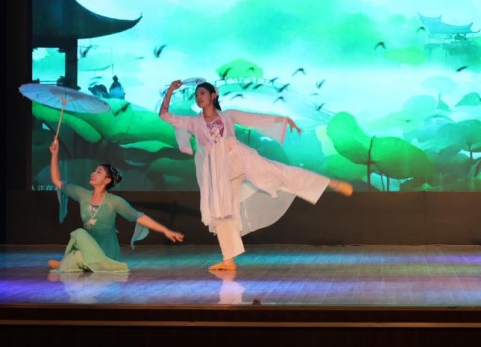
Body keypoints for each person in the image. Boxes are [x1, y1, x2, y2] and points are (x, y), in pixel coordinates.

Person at [158, 79, 353, 271]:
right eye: (196, 94)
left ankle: (329, 183)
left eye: (202, 93)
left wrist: (283, 121)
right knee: (222, 213)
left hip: (240, 157)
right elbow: (164, 115)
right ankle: (229, 260)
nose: (198, 97)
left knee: (278, 172)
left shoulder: (228, 115)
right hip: (219, 172)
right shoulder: (193, 122)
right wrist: (171, 91)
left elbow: (254, 119)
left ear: (213, 95)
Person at [47, 138, 184, 273]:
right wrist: (54, 154)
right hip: (88, 248)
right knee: (78, 250)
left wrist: (166, 231)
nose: (93, 173)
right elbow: (57, 181)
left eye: (99, 172)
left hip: (106, 252)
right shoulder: (83, 195)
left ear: (107, 180)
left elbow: (139, 217)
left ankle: (71, 263)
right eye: (94, 171)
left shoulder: (114, 201)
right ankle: (76, 263)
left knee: (79, 234)